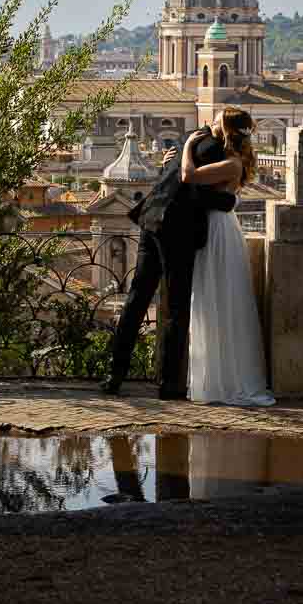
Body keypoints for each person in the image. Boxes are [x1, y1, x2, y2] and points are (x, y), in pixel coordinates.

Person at [101, 126, 236, 399]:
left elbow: (172, 180)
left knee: (136, 299)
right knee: (177, 307)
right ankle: (169, 383)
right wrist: (228, 199)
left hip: (151, 221)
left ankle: (114, 375)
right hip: (177, 231)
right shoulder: (219, 153)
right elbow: (194, 191)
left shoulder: (189, 138)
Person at [182, 108, 275, 407]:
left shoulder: (231, 164)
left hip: (217, 230)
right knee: (218, 299)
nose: (211, 125)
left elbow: (189, 175)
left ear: (228, 130)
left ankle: (219, 383)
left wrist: (186, 146)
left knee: (214, 299)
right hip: (221, 225)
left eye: (217, 121)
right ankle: (216, 378)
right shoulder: (234, 160)